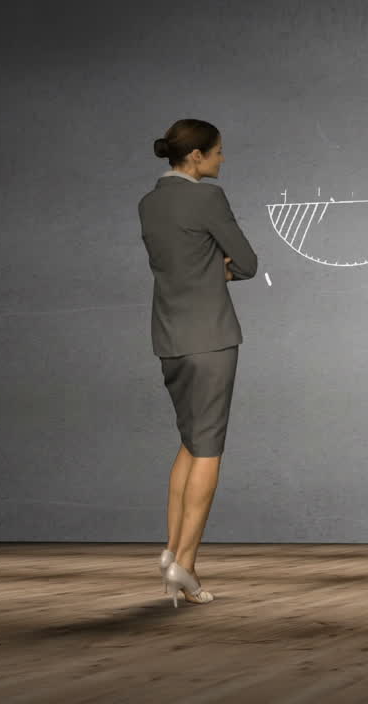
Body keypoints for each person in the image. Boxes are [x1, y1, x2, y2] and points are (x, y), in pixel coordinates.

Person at [138, 119, 258, 607]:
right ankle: (183, 563)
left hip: (169, 336)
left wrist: (204, 267)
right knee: (208, 450)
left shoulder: (148, 203)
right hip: (210, 338)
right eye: (218, 152)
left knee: (189, 443)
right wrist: (219, 270)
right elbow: (247, 262)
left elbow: (176, 263)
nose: (222, 160)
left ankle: (175, 555)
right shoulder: (208, 198)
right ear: (195, 158)